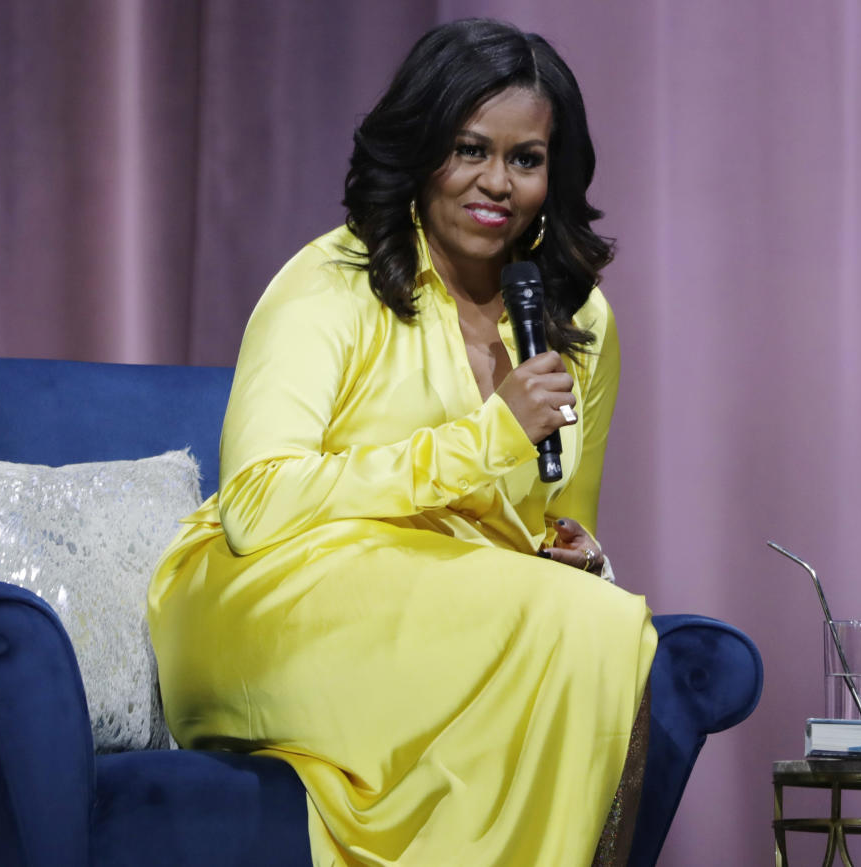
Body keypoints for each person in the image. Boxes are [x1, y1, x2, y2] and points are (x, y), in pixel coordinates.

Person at [148, 18, 656, 867]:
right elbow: (256, 507)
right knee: (577, 630)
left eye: (525, 159)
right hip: (268, 596)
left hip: (465, 603)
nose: (496, 183)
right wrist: (486, 438)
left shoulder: (578, 320)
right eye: (469, 149)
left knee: (602, 622)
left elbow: (562, 520)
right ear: (421, 152)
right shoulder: (332, 282)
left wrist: (577, 552)